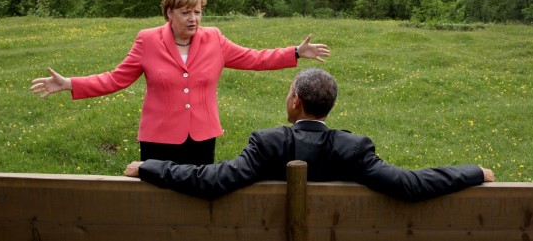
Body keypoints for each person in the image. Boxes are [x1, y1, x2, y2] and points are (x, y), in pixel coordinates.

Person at [30, 0, 330, 165]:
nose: (194, 18)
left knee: (197, 196)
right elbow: (116, 78)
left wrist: (295, 52)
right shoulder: (147, 40)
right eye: (186, 12)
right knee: (157, 200)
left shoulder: (214, 38)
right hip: (158, 138)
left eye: (198, 11)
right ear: (169, 13)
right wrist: (70, 83)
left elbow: (253, 58)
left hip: (202, 137)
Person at [125, 68, 495, 202]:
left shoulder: (268, 144)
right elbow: (411, 185)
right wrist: (474, 173)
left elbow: (211, 180)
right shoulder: (354, 149)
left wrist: (150, 166)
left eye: (289, 93)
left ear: (296, 102)